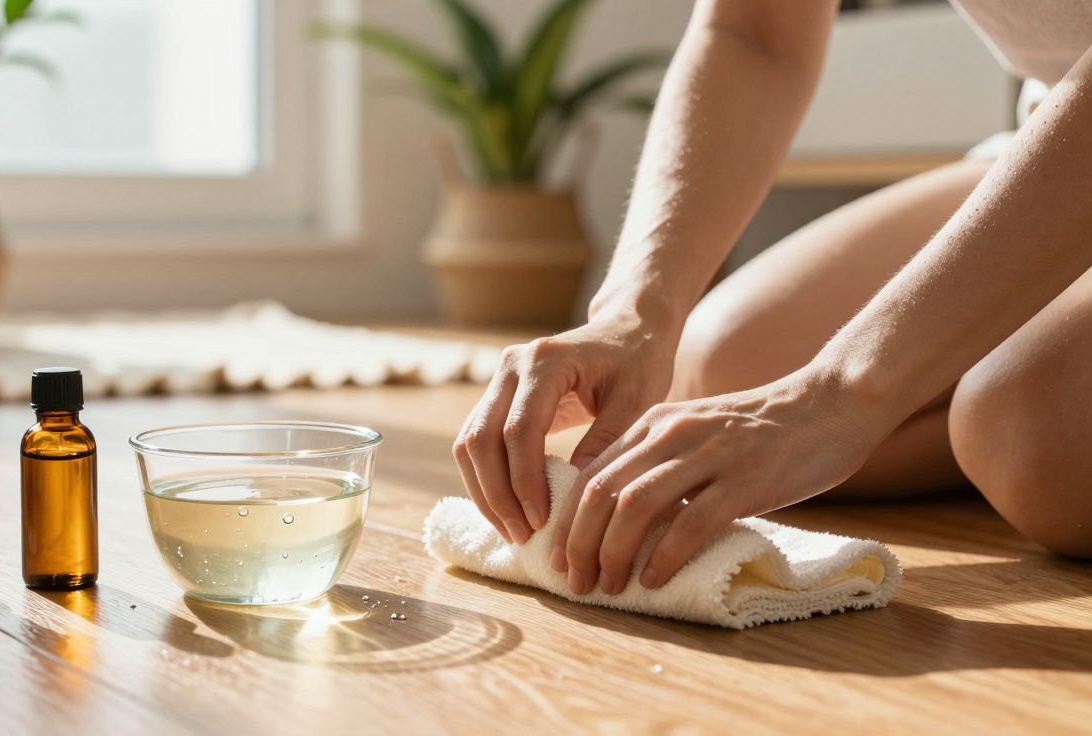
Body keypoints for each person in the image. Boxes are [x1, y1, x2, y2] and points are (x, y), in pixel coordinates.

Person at [451, 0, 1092, 599]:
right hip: (1053, 138)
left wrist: (836, 394)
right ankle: (971, 408)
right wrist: (631, 314)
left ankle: (984, 420)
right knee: (720, 366)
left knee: (1024, 439)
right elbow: (755, 31)